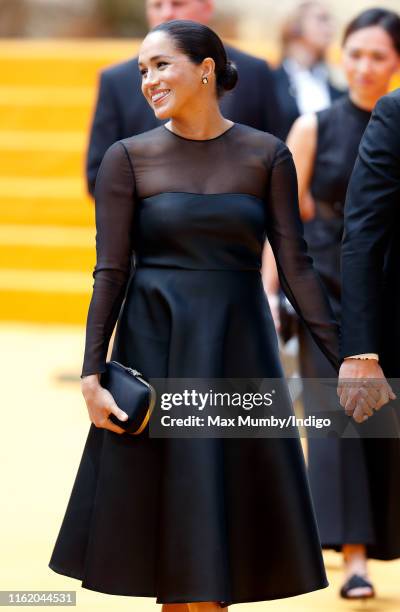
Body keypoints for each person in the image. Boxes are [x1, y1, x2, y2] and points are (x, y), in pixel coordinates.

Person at [48, 19, 344, 609]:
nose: (148, 81)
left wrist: (348, 357)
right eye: (141, 71)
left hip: (237, 349)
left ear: (205, 68)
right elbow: (110, 272)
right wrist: (91, 374)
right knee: (171, 523)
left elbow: (297, 266)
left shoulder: (267, 154)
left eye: (161, 65)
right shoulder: (126, 158)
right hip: (155, 349)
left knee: (224, 515)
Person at [281, 8, 400, 599]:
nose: (364, 66)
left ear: (396, 62)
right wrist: (274, 291)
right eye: (355, 53)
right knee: (339, 421)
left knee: (384, 424)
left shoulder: (394, 118)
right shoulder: (314, 125)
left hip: (385, 281)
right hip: (324, 286)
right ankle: (353, 557)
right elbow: (281, 222)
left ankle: (374, 542)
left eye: (378, 55)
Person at [86, 0, 282, 196]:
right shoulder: (116, 80)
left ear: (207, 8)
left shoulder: (255, 71)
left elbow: (277, 158)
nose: (166, 13)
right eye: (157, 6)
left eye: (178, 4)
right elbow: (99, 176)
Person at [273, 1, 343, 141]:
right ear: (295, 27)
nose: (331, 27)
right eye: (322, 19)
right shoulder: (269, 81)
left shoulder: (338, 83)